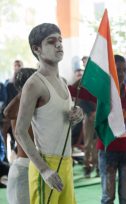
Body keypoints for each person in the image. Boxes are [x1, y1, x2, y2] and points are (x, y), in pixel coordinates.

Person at [15, 23, 83, 204]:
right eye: (52, 42)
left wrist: (78, 114)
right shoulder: (34, 84)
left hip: (66, 161)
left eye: (60, 40)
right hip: (46, 163)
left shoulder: (62, 81)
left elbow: (61, 118)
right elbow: (20, 131)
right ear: (37, 49)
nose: (59, 45)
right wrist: (44, 170)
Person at [97, 55, 126, 204]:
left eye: (124, 70)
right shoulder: (102, 95)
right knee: (108, 197)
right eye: (117, 70)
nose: (121, 73)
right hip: (107, 150)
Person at [4, 68, 36, 204]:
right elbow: (7, 113)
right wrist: (23, 93)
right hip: (24, 167)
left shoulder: (37, 104)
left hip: (38, 166)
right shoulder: (19, 106)